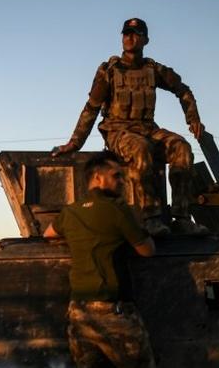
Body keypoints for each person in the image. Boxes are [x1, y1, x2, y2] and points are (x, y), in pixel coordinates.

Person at [52, 17, 208, 236]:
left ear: (146, 40)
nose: (129, 38)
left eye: (135, 34)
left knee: (182, 148)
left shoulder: (153, 69)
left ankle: (182, 218)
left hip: (147, 128)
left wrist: (193, 119)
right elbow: (91, 108)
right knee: (140, 148)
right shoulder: (110, 71)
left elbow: (183, 90)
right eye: (126, 34)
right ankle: (151, 217)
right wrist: (74, 143)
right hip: (118, 132)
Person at [44, 151, 156, 367]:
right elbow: (147, 250)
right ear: (97, 177)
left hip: (79, 313)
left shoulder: (70, 212)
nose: (122, 182)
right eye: (116, 176)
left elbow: (48, 233)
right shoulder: (118, 210)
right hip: (114, 311)